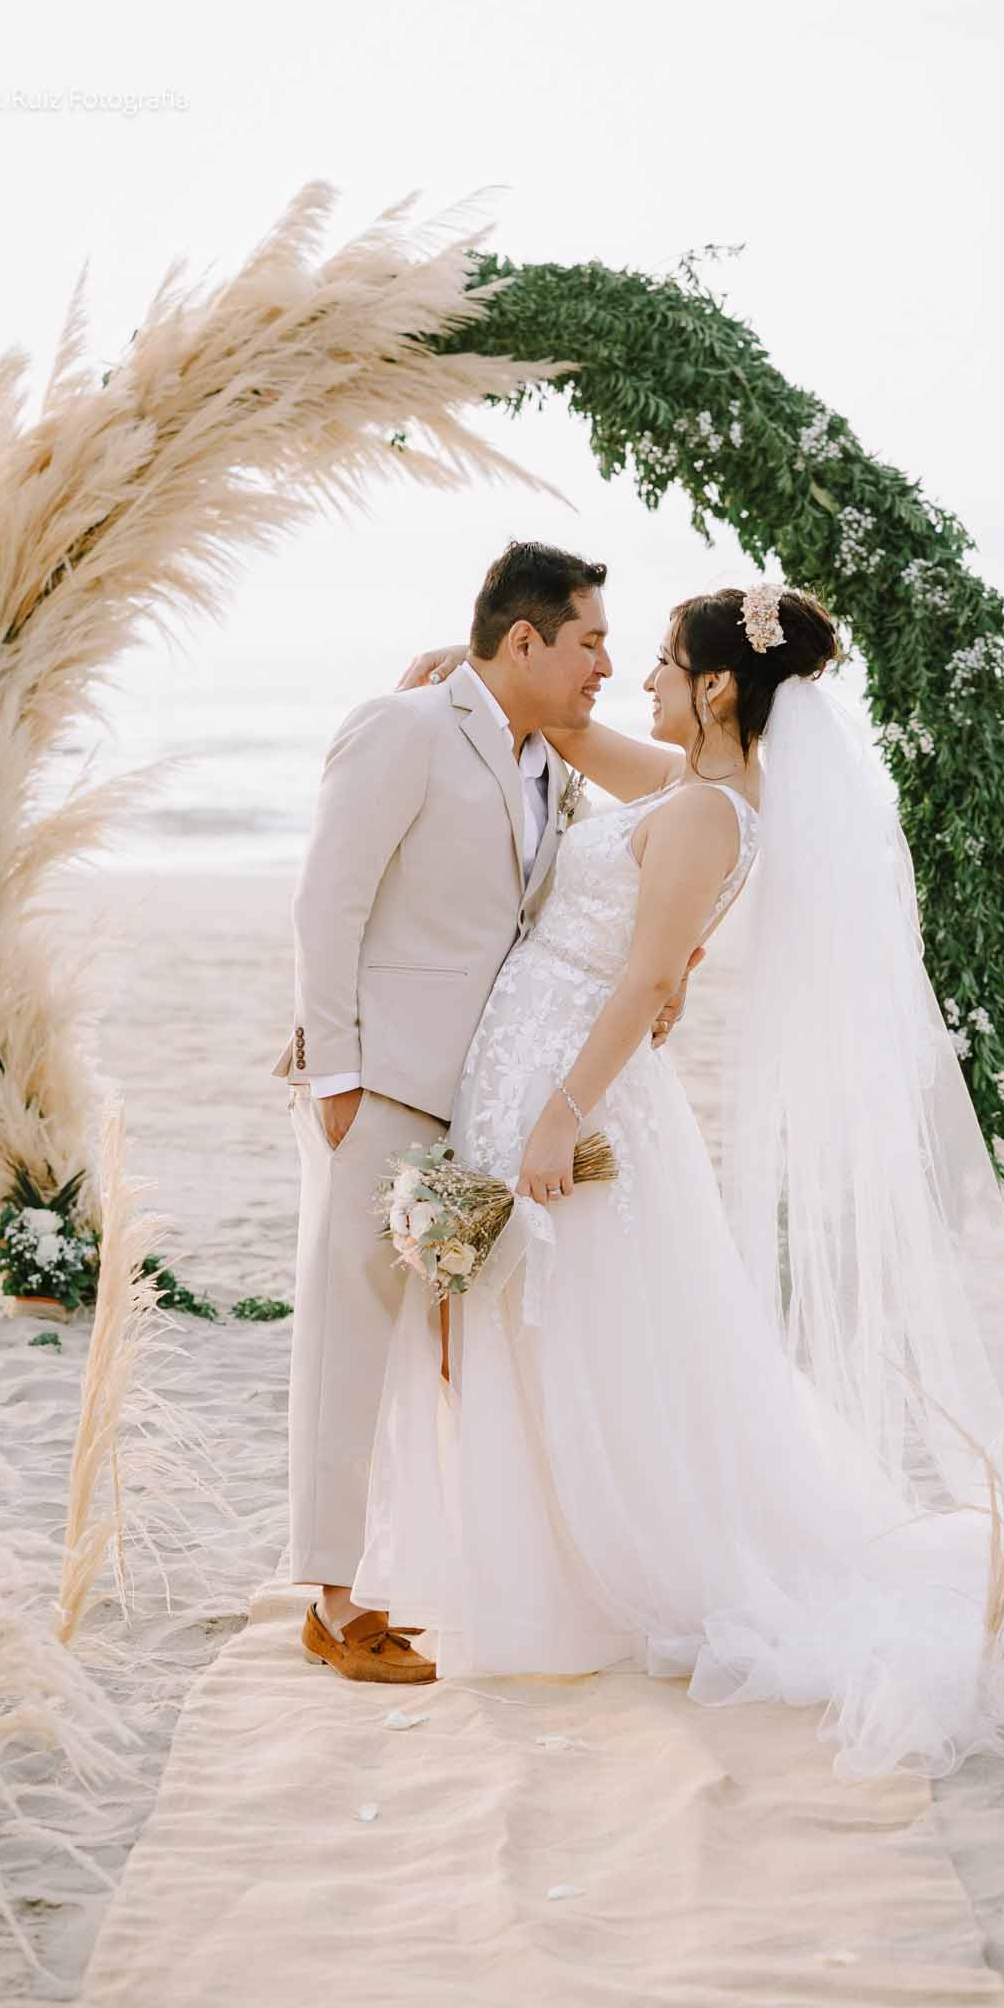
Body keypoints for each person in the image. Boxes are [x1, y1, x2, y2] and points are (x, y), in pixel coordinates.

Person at [353, 583, 1004, 1781]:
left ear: (718, 686)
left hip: (572, 1090)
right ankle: (531, 1554)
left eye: (661, 665)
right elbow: (568, 729)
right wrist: (465, 667)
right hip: (536, 1062)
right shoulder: (688, 789)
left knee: (571, 1330)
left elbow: (643, 980)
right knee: (549, 1330)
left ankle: (579, 1573)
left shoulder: (702, 814)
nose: (639, 679)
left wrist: (558, 1117)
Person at [276, 541, 693, 1685]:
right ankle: (331, 1603)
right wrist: (336, 1077)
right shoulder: (403, 727)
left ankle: (411, 1569)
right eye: (589, 642)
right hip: (384, 1085)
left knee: (451, 1350)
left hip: (484, 1097)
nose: (603, 665)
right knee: (351, 1334)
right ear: (523, 640)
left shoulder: (548, 762)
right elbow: (326, 902)